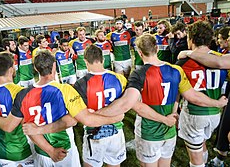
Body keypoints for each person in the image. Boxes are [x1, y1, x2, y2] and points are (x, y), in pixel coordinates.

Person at [95, 34, 227, 167]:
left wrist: (95, 114)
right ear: (157, 49)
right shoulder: (176, 70)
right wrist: (217, 103)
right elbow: (192, 96)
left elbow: (128, 104)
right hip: (169, 132)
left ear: (140, 53)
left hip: (149, 133)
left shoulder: (139, 73)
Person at [0, 50, 123, 166]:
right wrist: (115, 117)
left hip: (42, 152)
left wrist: (49, 150)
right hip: (64, 150)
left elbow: (28, 128)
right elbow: (78, 120)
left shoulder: (23, 94)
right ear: (54, 66)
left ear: (35, 68)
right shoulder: (65, 90)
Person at [176, 21, 228, 167]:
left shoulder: (184, 61)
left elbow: (178, 92)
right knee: (201, 145)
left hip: (194, 113)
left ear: (191, 39)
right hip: (214, 114)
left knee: (196, 161)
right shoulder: (221, 58)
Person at [73, 45, 127, 167]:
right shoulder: (119, 78)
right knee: (114, 164)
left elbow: (81, 115)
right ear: (103, 59)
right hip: (116, 129)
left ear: (85, 61)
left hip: (94, 132)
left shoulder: (80, 84)